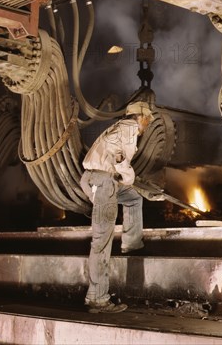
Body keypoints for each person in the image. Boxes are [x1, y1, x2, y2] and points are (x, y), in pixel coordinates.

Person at [80, 100, 154, 313]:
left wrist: (125, 179)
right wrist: (128, 173)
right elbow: (117, 154)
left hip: (99, 180)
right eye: (147, 119)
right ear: (140, 117)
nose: (148, 123)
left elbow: (111, 151)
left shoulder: (118, 127)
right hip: (105, 183)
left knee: (133, 198)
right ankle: (99, 298)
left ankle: (131, 244)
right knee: (101, 243)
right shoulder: (129, 128)